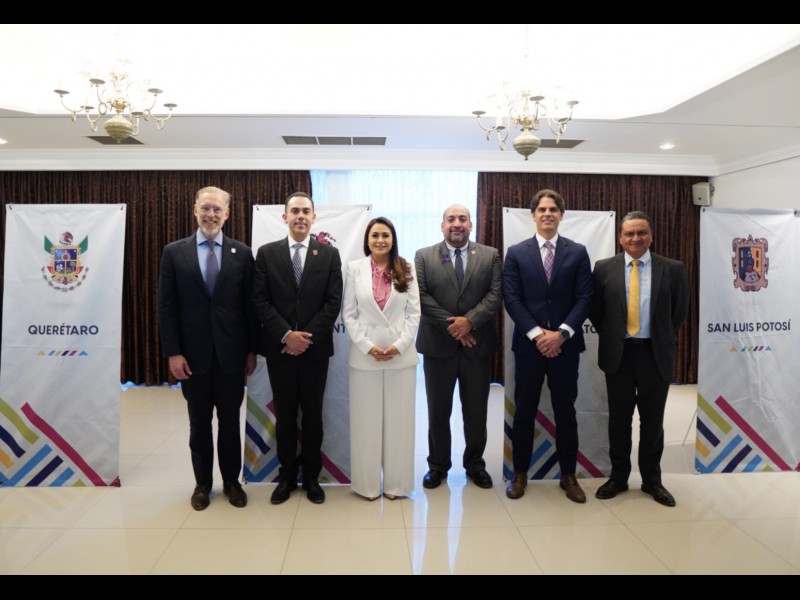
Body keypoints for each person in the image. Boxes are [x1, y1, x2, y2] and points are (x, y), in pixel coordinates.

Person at [157, 186, 258, 511]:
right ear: (195, 210)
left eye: (217, 209)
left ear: (227, 214)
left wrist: (251, 351)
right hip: (191, 357)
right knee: (199, 425)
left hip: (232, 356)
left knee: (230, 423)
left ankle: (231, 482)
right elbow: (166, 307)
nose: (211, 215)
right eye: (206, 208)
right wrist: (173, 353)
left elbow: (249, 307)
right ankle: (202, 484)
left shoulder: (242, 253)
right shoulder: (174, 252)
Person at [590, 211, 688, 507]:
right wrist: (614, 335)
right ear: (620, 238)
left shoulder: (672, 268)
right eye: (629, 233)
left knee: (652, 422)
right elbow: (596, 311)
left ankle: (652, 480)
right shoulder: (603, 268)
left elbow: (678, 312)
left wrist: (657, 336)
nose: (635, 238)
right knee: (619, 420)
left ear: (651, 236)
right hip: (618, 354)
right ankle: (619, 477)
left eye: (641, 232)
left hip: (654, 354)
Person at [252, 192, 343, 505]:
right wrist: (286, 335)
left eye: (306, 211)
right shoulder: (267, 253)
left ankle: (312, 478)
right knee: (286, 417)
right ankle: (287, 477)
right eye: (295, 211)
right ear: (285, 217)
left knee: (314, 417)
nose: (300, 216)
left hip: (315, 352)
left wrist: (304, 339)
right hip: (279, 351)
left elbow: (333, 302)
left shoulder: (329, 255)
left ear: (314, 217)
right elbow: (260, 300)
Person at [503, 189, 592, 503]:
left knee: (566, 412)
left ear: (561, 215)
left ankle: (568, 475)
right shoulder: (516, 253)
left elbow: (585, 298)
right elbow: (511, 298)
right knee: (524, 412)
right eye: (542, 209)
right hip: (529, 348)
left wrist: (561, 334)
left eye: (553, 209)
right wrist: (537, 335)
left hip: (565, 348)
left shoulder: (578, 252)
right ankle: (519, 474)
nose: (547, 214)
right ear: (533, 215)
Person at [415, 204, 503, 490]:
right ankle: (437, 466)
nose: (457, 223)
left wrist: (470, 322)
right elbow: (421, 296)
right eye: (451, 219)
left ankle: (475, 465)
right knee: (438, 411)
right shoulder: (424, 256)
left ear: (470, 225)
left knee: (476, 412)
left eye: (462, 219)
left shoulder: (490, 255)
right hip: (437, 348)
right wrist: (455, 326)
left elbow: (495, 295)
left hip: (477, 347)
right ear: (442, 225)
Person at [342, 217, 421, 500]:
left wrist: (399, 345)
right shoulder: (354, 269)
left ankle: (397, 485)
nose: (380, 240)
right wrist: (367, 346)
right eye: (375, 235)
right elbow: (349, 314)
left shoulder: (406, 268)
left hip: (401, 357)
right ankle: (367, 486)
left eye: (385, 235)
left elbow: (414, 313)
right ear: (367, 240)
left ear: (393, 239)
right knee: (366, 423)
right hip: (365, 358)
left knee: (400, 423)